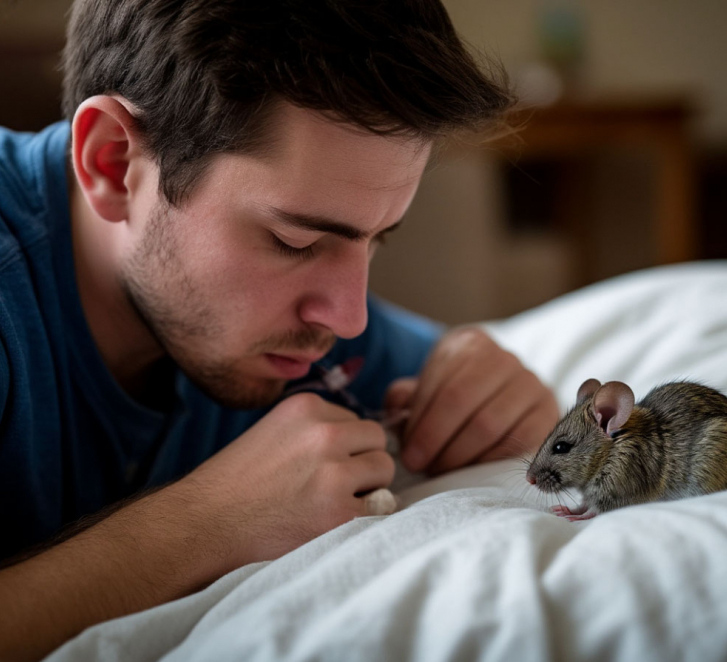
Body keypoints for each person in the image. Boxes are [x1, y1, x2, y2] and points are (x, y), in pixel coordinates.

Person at [0, 0, 559, 659]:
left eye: (377, 240)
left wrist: (471, 368)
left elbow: (445, 370)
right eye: (296, 242)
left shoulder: (292, 326)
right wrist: (203, 525)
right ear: (113, 162)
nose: (348, 316)